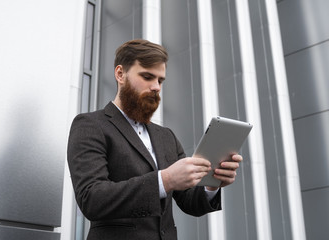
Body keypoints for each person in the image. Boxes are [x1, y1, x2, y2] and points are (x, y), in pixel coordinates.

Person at [67, 39, 243, 240]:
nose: (156, 87)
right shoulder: (90, 125)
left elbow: (189, 202)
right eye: (147, 76)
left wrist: (212, 183)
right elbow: (92, 198)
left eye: (160, 80)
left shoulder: (166, 136)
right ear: (120, 74)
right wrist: (165, 180)